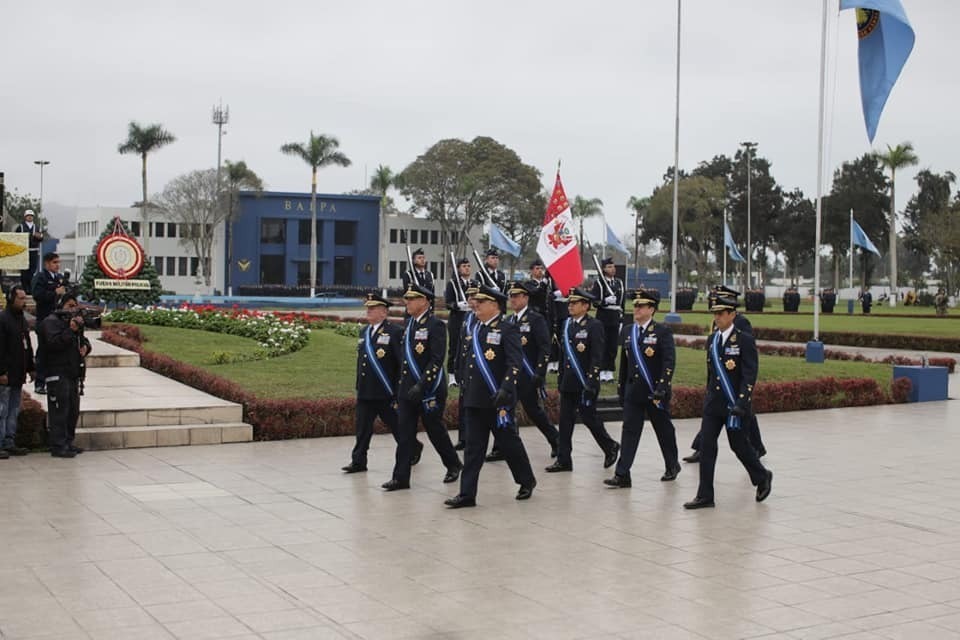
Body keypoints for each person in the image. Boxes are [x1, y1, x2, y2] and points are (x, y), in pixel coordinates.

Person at [445, 285, 537, 508]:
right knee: (473, 450)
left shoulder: (508, 329)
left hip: (498, 401)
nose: (476, 305)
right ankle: (467, 494)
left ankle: (526, 480)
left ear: (494, 305)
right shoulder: (474, 329)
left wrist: (506, 388)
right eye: (476, 301)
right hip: (475, 399)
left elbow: (515, 363)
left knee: (509, 444)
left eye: (481, 302)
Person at [684, 291, 772, 509]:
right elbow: (711, 374)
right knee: (706, 446)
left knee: (739, 446)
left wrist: (742, 402)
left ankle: (762, 476)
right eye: (715, 313)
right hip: (714, 404)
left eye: (721, 313)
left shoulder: (744, 339)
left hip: (735, 405)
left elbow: (749, 374)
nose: (717, 318)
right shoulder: (712, 340)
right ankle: (705, 495)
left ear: (732, 314)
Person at [383, 284, 462, 491]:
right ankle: (400, 477)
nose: (406, 302)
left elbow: (436, 360)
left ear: (425, 302)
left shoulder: (435, 325)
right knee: (405, 433)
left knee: (435, 430)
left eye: (411, 299)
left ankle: (453, 464)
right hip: (407, 390)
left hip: (429, 390)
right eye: (406, 299)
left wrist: (422, 385)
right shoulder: (409, 324)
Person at [605, 288, 680, 488]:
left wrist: (662, 388)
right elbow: (625, 364)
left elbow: (668, 362)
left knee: (663, 430)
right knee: (629, 430)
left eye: (640, 306)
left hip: (655, 392)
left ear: (652, 309)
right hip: (634, 392)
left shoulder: (662, 331)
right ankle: (622, 474)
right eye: (635, 305)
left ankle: (672, 464)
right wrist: (621, 389)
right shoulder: (629, 330)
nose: (636, 309)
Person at [342, 293, 424, 473]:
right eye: (368, 308)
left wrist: (398, 390)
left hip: (385, 392)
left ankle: (413, 447)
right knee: (362, 429)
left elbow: (401, 362)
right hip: (366, 390)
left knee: (397, 426)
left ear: (383, 312)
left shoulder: (394, 332)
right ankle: (358, 461)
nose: (368, 311)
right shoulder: (364, 331)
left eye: (373, 309)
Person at [545, 287, 619, 473]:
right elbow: (564, 355)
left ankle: (609, 446)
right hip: (569, 381)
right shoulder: (567, 324)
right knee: (565, 421)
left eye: (575, 303)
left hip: (585, 382)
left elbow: (597, 355)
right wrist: (561, 377)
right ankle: (564, 460)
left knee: (589, 418)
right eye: (569, 302)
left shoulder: (594, 325)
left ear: (585, 306)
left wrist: (592, 381)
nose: (570, 306)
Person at [505, 281, 558, 457]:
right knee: (506, 410)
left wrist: (540, 372)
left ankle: (555, 440)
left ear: (525, 297)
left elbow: (545, 347)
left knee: (533, 411)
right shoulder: (509, 320)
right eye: (511, 296)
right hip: (511, 376)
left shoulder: (536, 319)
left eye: (516, 296)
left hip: (528, 375)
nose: (513, 299)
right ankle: (504, 447)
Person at [39, 292, 91, 458]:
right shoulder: (50, 322)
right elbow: (54, 344)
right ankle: (58, 445)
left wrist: (86, 348)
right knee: (60, 411)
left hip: (72, 373)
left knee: (72, 411)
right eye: (69, 306)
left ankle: (68, 442)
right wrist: (71, 329)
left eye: (75, 306)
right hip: (56, 373)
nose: (73, 309)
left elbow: (84, 341)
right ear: (60, 305)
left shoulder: (72, 324)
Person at [0, 285, 35, 458]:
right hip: (5, 376)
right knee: (2, 410)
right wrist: (1, 372)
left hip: (17, 375)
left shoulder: (21, 320)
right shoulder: (3, 319)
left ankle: (9, 441)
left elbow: (27, 346)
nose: (23, 302)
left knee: (13, 410)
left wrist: (31, 368)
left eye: (24, 298)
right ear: (11, 299)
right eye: (20, 298)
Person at [31, 252, 66, 395]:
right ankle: (39, 383)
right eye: (54, 262)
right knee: (43, 352)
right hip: (44, 321)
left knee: (56, 353)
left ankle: (53, 383)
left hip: (57, 322)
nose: (57, 265)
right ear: (47, 264)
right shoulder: (40, 277)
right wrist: (54, 292)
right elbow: (37, 295)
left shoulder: (59, 278)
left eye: (58, 262)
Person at [590, 257, 624, 383]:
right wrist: (605, 301)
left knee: (613, 345)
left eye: (613, 266)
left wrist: (621, 319)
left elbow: (622, 303)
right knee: (602, 345)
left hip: (615, 317)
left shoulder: (619, 283)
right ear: (603, 269)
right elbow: (594, 301)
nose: (613, 269)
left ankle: (609, 371)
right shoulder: (599, 283)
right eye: (609, 267)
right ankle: (601, 371)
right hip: (603, 316)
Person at [444, 258, 472, 386]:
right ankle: (451, 376)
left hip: (470, 319)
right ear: (458, 269)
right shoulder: (453, 284)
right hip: (457, 319)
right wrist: (458, 305)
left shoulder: (473, 283)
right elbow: (448, 303)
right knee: (454, 347)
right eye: (464, 266)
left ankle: (464, 374)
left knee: (468, 347)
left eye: (468, 266)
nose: (467, 268)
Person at [14, 210, 44, 291]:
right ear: (25, 217)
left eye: (31, 215)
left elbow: (41, 238)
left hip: (33, 251)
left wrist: (39, 237)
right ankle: (24, 288)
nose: (30, 217)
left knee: (32, 271)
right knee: (24, 271)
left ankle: (30, 289)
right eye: (28, 215)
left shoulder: (37, 227)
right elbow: (16, 238)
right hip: (23, 252)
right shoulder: (20, 227)